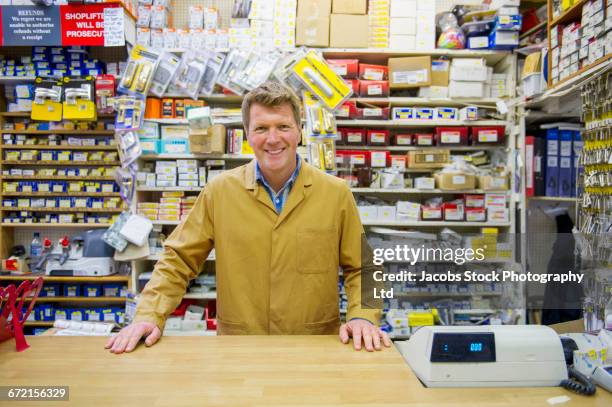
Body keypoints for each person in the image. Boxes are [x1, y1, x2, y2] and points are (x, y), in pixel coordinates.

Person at [106, 81, 390, 354]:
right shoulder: (220, 191)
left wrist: (363, 316)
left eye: (283, 126)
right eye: (261, 128)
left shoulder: (335, 193)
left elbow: (364, 268)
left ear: (300, 131)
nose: (273, 138)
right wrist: (148, 315)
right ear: (247, 134)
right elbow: (178, 259)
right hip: (238, 348)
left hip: (313, 348)